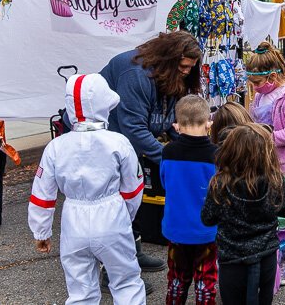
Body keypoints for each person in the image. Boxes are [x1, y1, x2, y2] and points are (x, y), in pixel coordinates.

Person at [29, 74, 146, 304]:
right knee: (126, 283)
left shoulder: (56, 147)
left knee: (80, 290)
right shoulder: (118, 142)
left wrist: (41, 231)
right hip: (112, 217)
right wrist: (126, 215)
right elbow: (133, 188)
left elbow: (42, 193)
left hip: (74, 221)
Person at [99, 31, 202, 282]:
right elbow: (134, 128)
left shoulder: (168, 76)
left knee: (132, 198)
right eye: (184, 66)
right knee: (114, 204)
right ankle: (112, 272)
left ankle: (133, 253)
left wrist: (188, 146)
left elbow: (165, 119)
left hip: (124, 139)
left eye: (191, 67)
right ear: (168, 59)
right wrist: (171, 158)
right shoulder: (135, 74)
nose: (187, 71)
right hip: (103, 141)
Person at [201, 124, 285, 305]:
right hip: (266, 256)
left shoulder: (220, 183)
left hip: (232, 259)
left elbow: (207, 218)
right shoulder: (273, 181)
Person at [246, 42, 285, 285]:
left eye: (257, 83)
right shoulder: (262, 95)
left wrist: (262, 139)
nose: (254, 88)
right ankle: (272, 258)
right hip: (267, 163)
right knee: (269, 216)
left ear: (272, 76)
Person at [161, 95, 218, 305]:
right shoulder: (216, 155)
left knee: (176, 277)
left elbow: (164, 182)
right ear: (208, 123)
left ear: (177, 126)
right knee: (205, 279)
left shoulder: (168, 151)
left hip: (176, 228)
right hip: (206, 229)